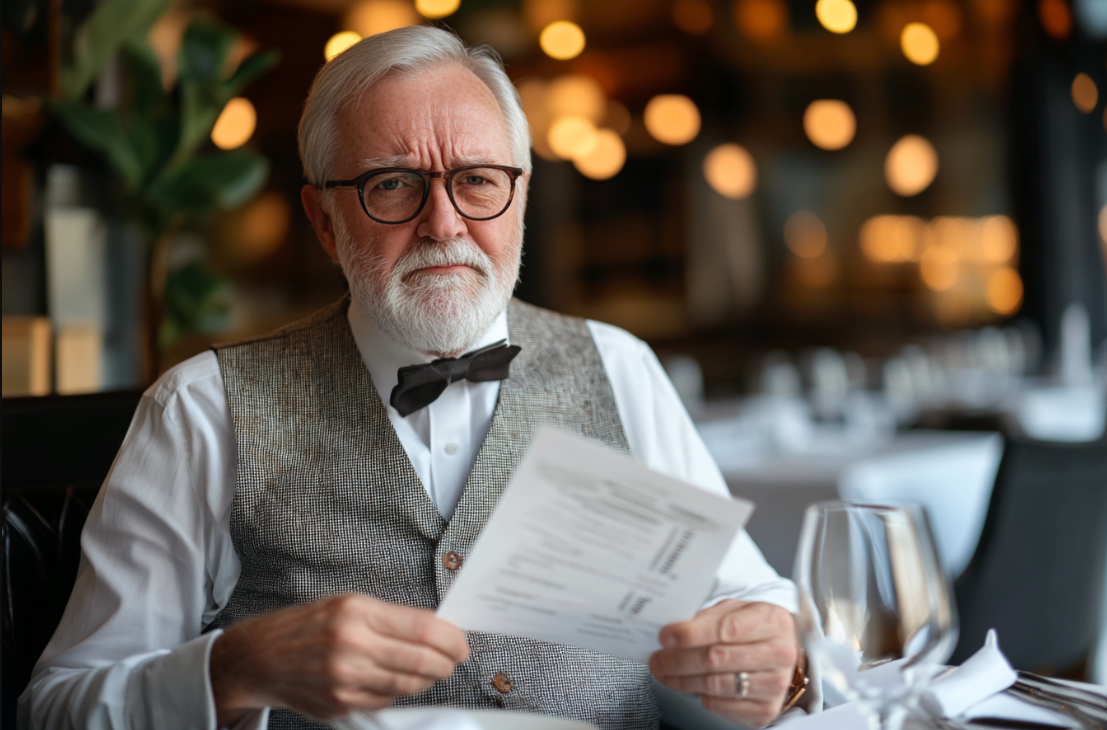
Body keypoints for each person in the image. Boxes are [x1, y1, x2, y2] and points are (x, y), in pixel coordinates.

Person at [20, 26, 815, 730]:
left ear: (521, 198)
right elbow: (58, 705)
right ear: (324, 222)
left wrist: (777, 663)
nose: (444, 223)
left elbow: (748, 611)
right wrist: (232, 671)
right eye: (393, 184)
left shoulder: (618, 366)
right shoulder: (202, 410)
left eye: (476, 179)